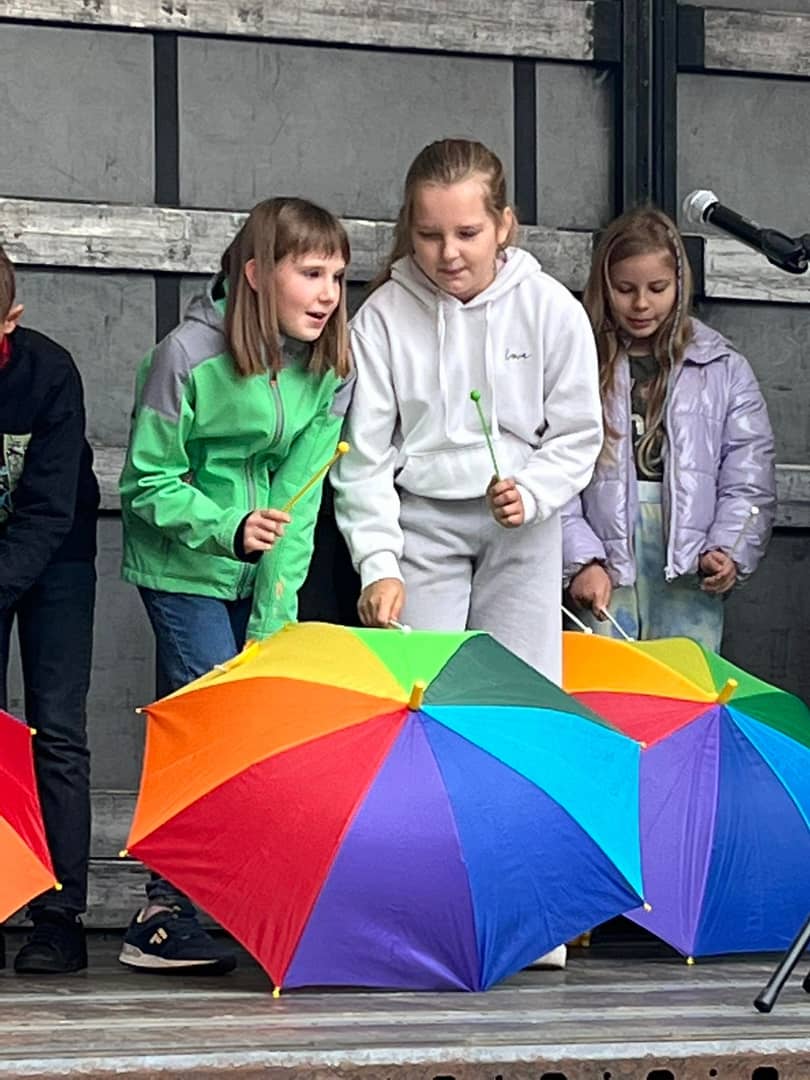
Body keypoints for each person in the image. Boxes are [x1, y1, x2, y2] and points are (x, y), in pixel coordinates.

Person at [119, 197, 353, 973]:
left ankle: (242, 902)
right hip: (183, 563)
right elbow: (145, 483)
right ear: (256, 273)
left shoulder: (329, 368)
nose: (328, 294)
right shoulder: (185, 356)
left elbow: (299, 503)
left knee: (257, 723)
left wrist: (272, 622)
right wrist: (226, 527)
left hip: (261, 572)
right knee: (212, 725)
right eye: (310, 273)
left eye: (337, 277)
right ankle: (163, 914)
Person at [333, 137, 602, 685]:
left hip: (522, 526)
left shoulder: (552, 308)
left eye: (467, 233)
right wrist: (378, 565)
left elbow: (578, 433)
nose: (448, 253)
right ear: (409, 229)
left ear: (504, 225)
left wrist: (532, 492)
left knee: (520, 693)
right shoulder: (380, 318)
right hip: (419, 526)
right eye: (429, 235)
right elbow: (362, 458)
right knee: (421, 691)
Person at [563, 206, 776, 648]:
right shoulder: (578, 361)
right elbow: (553, 470)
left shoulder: (723, 368)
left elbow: (749, 475)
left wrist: (729, 548)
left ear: (680, 284)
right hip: (603, 557)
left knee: (684, 674)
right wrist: (581, 560)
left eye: (657, 288)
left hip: (690, 563)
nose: (641, 304)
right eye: (625, 289)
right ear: (604, 286)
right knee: (604, 677)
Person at [0, 244, 99, 975]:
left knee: (55, 728)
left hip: (56, 555)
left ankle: (59, 916)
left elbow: (46, 511)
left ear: (11, 319)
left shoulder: (48, 372)